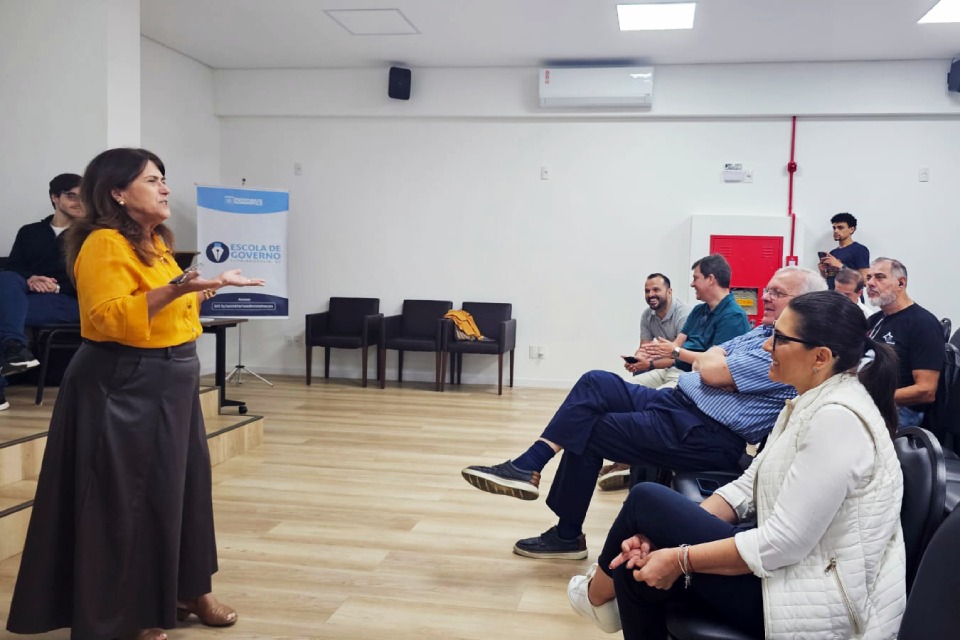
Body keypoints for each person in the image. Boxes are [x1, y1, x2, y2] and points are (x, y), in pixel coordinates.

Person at [6, 148, 265, 640]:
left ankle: (188, 589)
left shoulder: (153, 241)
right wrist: (180, 288)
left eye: (164, 178)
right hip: (123, 383)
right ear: (118, 193)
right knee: (123, 502)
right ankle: (122, 612)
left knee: (183, 491)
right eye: (153, 179)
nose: (165, 187)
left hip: (173, 379)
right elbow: (108, 317)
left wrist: (206, 287)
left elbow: (162, 306)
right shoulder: (103, 243)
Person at [568, 291, 906, 639]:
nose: (765, 347)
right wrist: (665, 537)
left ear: (820, 357)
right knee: (637, 566)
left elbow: (782, 544)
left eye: (779, 339)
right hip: (791, 572)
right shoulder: (808, 401)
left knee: (646, 501)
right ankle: (603, 593)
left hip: (810, 600)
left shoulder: (836, 420)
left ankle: (596, 595)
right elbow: (749, 486)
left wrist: (679, 557)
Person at [461, 267, 826, 560]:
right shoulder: (762, 331)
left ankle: (566, 534)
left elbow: (711, 367)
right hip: (679, 404)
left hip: (706, 432)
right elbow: (709, 360)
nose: (766, 295)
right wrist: (712, 365)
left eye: (779, 292)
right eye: (769, 289)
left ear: (807, 303)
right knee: (596, 382)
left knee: (588, 428)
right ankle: (530, 463)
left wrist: (715, 366)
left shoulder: (789, 347)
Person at [605, 260, 749, 491]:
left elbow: (715, 367)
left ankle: (634, 470)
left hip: (699, 383)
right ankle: (627, 463)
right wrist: (650, 361)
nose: (692, 284)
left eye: (696, 278)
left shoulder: (733, 317)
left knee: (651, 410)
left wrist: (670, 354)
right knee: (617, 391)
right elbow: (675, 348)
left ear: (710, 279)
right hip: (676, 370)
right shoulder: (700, 311)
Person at [0, 173, 83, 411]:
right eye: (71, 196)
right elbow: (13, 269)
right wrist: (31, 279)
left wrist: (56, 286)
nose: (79, 202)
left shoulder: (91, 236)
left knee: (5, 313)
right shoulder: (30, 232)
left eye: (83, 197)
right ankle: (15, 349)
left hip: (69, 299)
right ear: (54, 198)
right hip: (27, 295)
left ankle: (13, 355)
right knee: (6, 279)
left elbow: (94, 281)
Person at [865, 257, 942, 428]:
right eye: (868, 277)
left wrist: (870, 396)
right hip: (872, 399)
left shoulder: (923, 324)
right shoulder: (875, 320)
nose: (870, 283)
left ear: (901, 283)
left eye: (879, 277)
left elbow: (926, 390)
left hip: (901, 409)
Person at [818, 212, 869, 289]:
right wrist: (822, 271)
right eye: (834, 228)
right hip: (831, 296)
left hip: (849, 297)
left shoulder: (859, 249)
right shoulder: (833, 253)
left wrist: (840, 266)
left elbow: (865, 280)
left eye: (840, 227)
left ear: (851, 229)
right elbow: (829, 279)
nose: (836, 231)